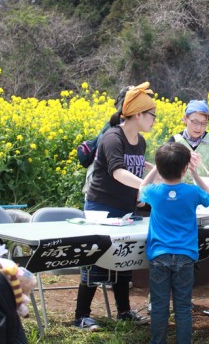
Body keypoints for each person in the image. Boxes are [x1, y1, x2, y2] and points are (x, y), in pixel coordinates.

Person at [73, 82, 157, 331]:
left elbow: (138, 165)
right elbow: (118, 171)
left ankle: (123, 311)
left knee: (124, 260)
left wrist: (158, 172)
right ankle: (81, 315)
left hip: (125, 207)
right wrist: (144, 187)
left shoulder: (139, 141)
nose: (154, 120)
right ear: (138, 114)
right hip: (101, 208)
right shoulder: (112, 137)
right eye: (152, 115)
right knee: (95, 259)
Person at [138, 142, 209, 344]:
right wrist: (196, 174)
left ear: (160, 168)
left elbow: (140, 189)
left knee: (159, 306)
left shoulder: (154, 192)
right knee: (183, 307)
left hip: (159, 256)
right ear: (184, 168)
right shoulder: (192, 192)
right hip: (185, 256)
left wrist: (155, 167)